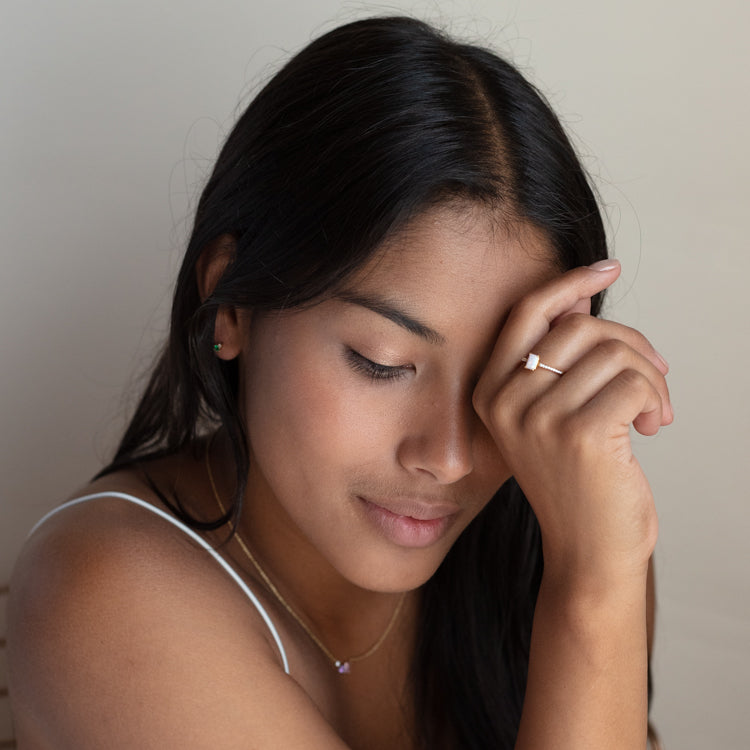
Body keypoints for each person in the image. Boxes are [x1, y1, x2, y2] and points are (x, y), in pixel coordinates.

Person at [7, 16, 670, 749]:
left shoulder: (568, 534)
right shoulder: (109, 596)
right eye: (381, 363)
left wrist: (598, 573)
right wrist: (593, 593)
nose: (448, 455)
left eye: (505, 376)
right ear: (232, 303)